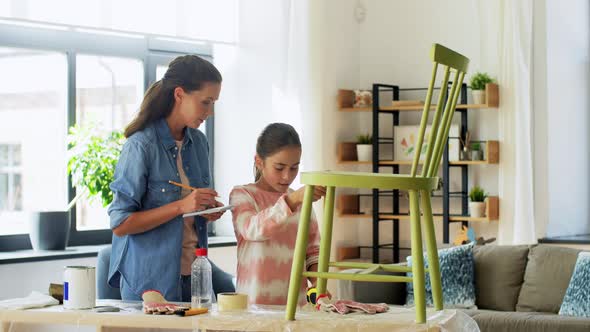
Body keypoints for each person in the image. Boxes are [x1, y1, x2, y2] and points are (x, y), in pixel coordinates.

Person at [108, 55, 235, 302]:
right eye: (205, 102)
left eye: (213, 103)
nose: (210, 112)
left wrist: (205, 211)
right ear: (179, 94)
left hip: (194, 277)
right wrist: (182, 206)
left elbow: (188, 216)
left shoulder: (198, 143)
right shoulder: (140, 147)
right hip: (150, 284)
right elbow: (120, 223)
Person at [229, 123, 326, 305]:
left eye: (294, 167)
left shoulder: (300, 199)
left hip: (296, 308)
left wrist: (319, 285)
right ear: (259, 162)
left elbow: (313, 251)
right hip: (253, 307)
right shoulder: (242, 195)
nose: (287, 177)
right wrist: (292, 200)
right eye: (279, 168)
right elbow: (253, 229)